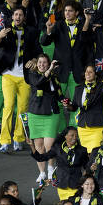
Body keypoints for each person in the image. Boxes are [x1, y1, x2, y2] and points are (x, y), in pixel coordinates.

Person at [0, 7, 40, 153]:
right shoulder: (6, 30)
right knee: (9, 106)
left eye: (21, 15)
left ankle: (19, 138)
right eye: (16, 14)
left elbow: (38, 50)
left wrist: (35, 60)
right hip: (8, 75)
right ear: (12, 16)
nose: (18, 16)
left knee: (23, 109)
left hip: (24, 76)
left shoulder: (31, 32)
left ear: (24, 17)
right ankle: (5, 141)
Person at [24, 53, 64, 184]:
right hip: (35, 113)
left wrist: (64, 101)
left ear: (48, 64)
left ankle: (51, 169)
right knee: (39, 146)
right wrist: (48, 71)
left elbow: (58, 93)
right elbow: (39, 83)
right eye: (40, 62)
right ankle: (42, 173)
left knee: (49, 145)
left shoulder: (54, 77)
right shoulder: (33, 75)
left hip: (51, 114)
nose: (42, 65)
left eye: (44, 63)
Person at [30, 127, 88, 201]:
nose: (74, 137)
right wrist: (32, 146)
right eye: (72, 135)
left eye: (76, 136)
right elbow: (41, 158)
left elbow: (87, 167)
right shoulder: (57, 148)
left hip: (76, 185)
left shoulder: (82, 150)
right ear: (65, 136)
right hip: (62, 184)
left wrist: (85, 178)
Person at [66, 65, 103, 152]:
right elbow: (74, 107)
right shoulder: (78, 88)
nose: (88, 73)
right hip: (83, 127)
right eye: (86, 71)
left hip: (97, 126)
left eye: (90, 72)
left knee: (95, 154)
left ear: (95, 75)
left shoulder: (100, 86)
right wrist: (68, 105)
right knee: (85, 155)